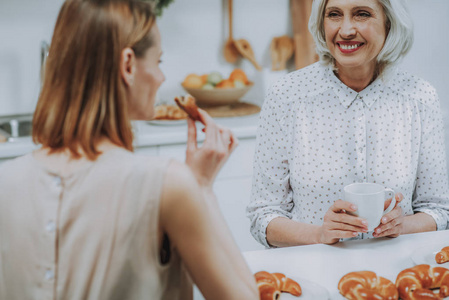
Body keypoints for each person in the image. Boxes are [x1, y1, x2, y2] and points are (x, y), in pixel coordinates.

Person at [0, 0, 259, 299]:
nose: (162, 78)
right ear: (127, 65)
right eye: (158, 62)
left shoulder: (7, 181)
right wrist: (201, 188)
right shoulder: (166, 184)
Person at [247, 0, 449, 248]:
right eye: (334, 14)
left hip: (397, 272)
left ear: (389, 22)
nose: (345, 30)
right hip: (312, 270)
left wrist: (402, 225)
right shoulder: (287, 96)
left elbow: (438, 210)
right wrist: (320, 234)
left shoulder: (420, 97)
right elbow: (262, 217)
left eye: (362, 14)